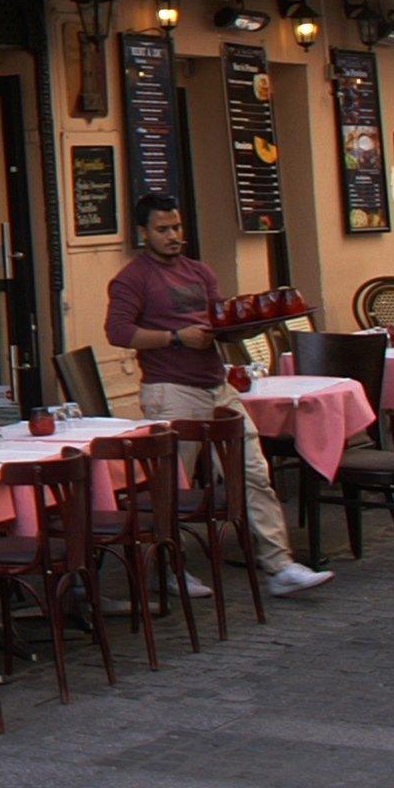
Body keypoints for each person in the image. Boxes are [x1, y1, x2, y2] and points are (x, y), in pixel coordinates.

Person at [104, 194, 331, 597]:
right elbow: (118, 332)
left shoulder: (200, 271)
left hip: (216, 383)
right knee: (173, 484)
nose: (173, 236)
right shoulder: (132, 278)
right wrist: (175, 337)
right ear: (143, 233)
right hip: (170, 388)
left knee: (253, 471)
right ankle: (168, 569)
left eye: (176, 227)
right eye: (163, 230)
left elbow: (217, 318)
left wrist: (237, 331)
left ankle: (279, 566)